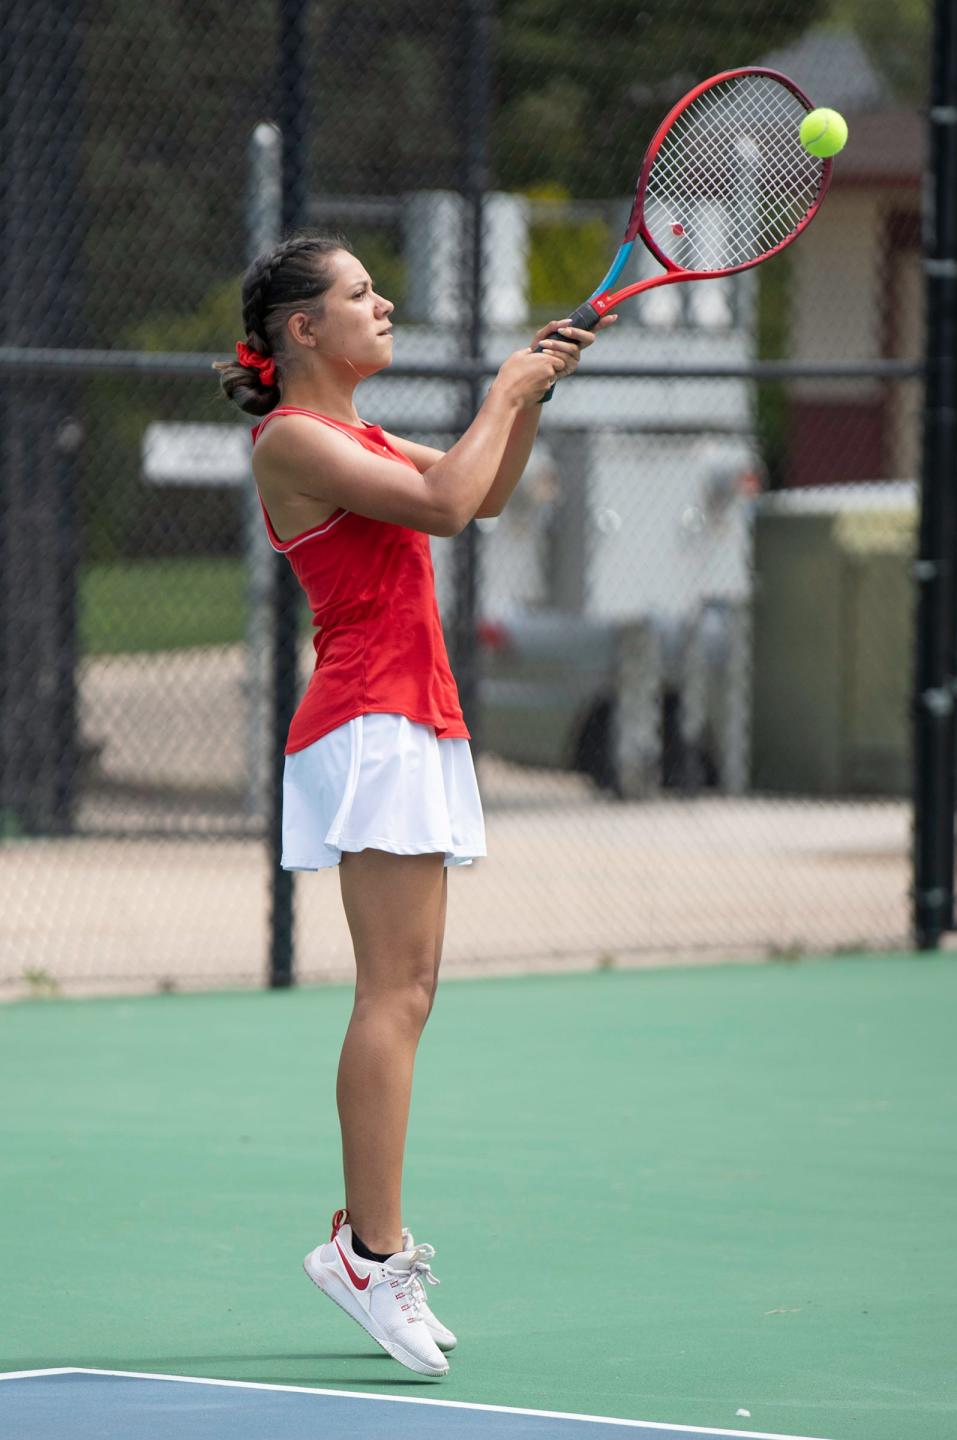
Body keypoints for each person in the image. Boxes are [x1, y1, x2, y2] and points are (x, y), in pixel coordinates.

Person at [215, 232, 615, 1378]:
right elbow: (444, 504)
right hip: (368, 722)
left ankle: (366, 1247)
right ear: (304, 330)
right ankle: (368, 1256)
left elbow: (478, 495)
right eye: (360, 294)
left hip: (412, 717)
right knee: (391, 997)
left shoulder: (361, 434)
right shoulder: (292, 439)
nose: (383, 302)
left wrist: (531, 391)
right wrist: (503, 388)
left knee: (413, 993)